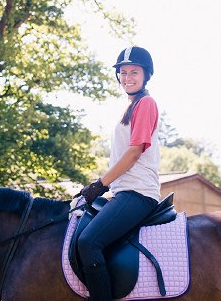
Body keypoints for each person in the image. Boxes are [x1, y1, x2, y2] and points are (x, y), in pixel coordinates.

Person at [77, 46, 161, 301]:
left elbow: (134, 151)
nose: (127, 78)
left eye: (134, 72)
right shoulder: (129, 106)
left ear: (146, 75)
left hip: (138, 193)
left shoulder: (146, 104)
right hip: (123, 192)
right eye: (123, 73)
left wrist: (100, 184)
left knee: (88, 242)